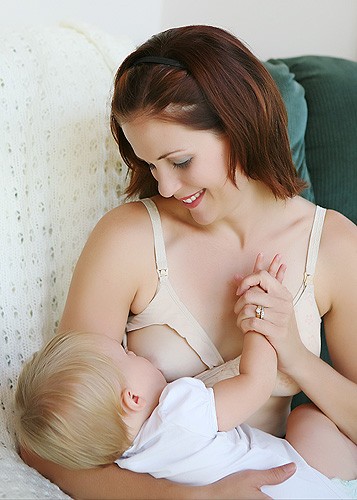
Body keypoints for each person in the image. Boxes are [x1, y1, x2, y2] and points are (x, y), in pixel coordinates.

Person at [21, 24, 357, 499]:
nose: (165, 188)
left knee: (311, 423)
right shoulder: (128, 239)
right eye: (150, 166)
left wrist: (298, 358)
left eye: (178, 161)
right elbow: (48, 443)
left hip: (285, 480)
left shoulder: (335, 247)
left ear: (239, 125)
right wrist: (193, 499)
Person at [14, 329, 356, 499]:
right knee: (307, 419)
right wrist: (257, 324)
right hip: (303, 485)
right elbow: (256, 383)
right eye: (126, 354)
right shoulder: (178, 410)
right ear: (132, 398)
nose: (133, 350)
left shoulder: (125, 464)